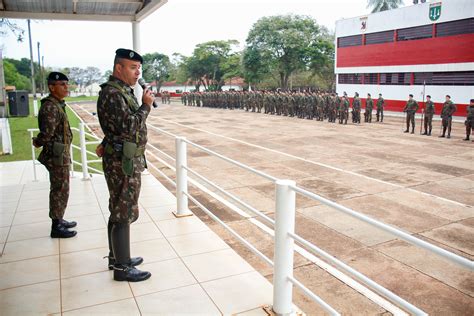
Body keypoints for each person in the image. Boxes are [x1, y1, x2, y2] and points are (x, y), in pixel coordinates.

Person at [95, 48, 154, 282]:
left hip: (123, 157)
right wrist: (146, 106)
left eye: (139, 67)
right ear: (118, 68)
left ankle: (117, 257)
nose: (137, 72)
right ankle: (122, 268)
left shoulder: (121, 91)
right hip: (123, 162)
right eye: (132, 67)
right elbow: (129, 126)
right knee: (123, 211)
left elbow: (114, 126)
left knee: (119, 208)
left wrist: (105, 141)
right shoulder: (113, 92)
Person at [32, 72, 77, 238]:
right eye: (62, 85)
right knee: (59, 189)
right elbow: (47, 133)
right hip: (56, 155)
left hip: (60, 153)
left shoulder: (57, 104)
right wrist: (38, 141)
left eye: (66, 84)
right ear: (52, 87)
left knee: (62, 188)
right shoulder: (50, 106)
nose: (66, 87)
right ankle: (56, 226)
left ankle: (59, 218)